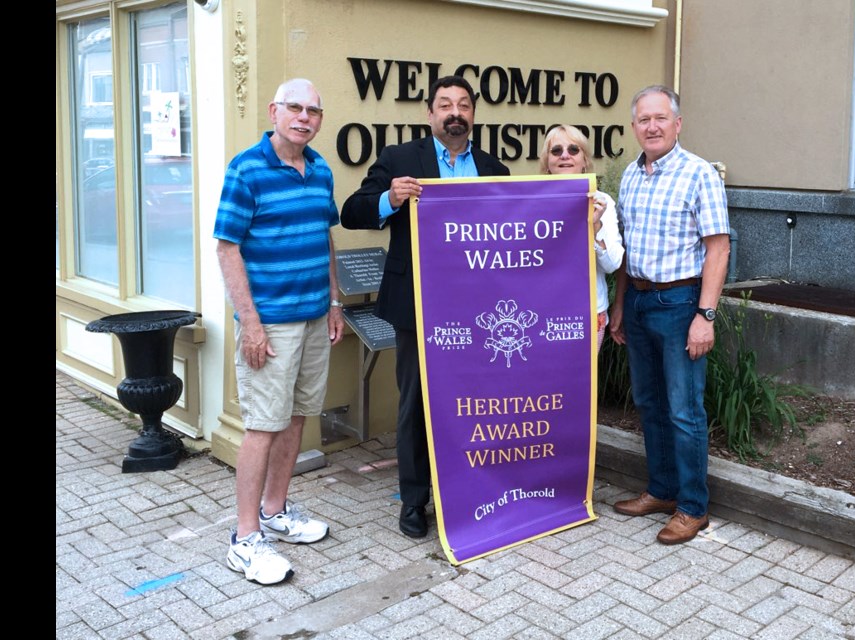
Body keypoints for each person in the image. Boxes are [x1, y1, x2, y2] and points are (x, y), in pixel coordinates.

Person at [341, 75, 509, 538]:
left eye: (464, 105)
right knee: (415, 404)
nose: (455, 112)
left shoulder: (495, 170)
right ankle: (415, 502)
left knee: (474, 403)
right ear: (429, 113)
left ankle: (470, 491)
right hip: (418, 303)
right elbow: (351, 212)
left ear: (473, 114)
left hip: (479, 311)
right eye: (445, 104)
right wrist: (389, 198)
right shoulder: (399, 160)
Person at [214, 78, 344, 584]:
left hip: (314, 318)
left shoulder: (322, 169)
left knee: (295, 419)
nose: (304, 117)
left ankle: (275, 511)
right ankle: (245, 539)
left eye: (313, 110)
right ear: (274, 111)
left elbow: (323, 238)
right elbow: (228, 248)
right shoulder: (246, 169)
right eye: (295, 107)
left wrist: (334, 302)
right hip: (270, 323)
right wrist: (250, 322)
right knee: (263, 426)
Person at [609, 85, 730, 545]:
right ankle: (660, 491)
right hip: (639, 302)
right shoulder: (631, 177)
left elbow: (718, 249)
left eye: (661, 118)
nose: (652, 126)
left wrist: (706, 315)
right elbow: (625, 250)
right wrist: (621, 304)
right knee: (649, 403)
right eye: (644, 120)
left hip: (681, 305)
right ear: (635, 126)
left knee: (684, 410)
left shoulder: (699, 174)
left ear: (677, 124)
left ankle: (693, 506)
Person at [538, 125, 624, 351]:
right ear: (547, 162)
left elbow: (613, 264)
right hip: (539, 311)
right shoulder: (531, 203)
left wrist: (594, 225)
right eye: (556, 151)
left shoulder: (603, 202)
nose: (565, 155)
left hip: (587, 313)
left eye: (573, 149)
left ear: (584, 159)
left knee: (582, 385)